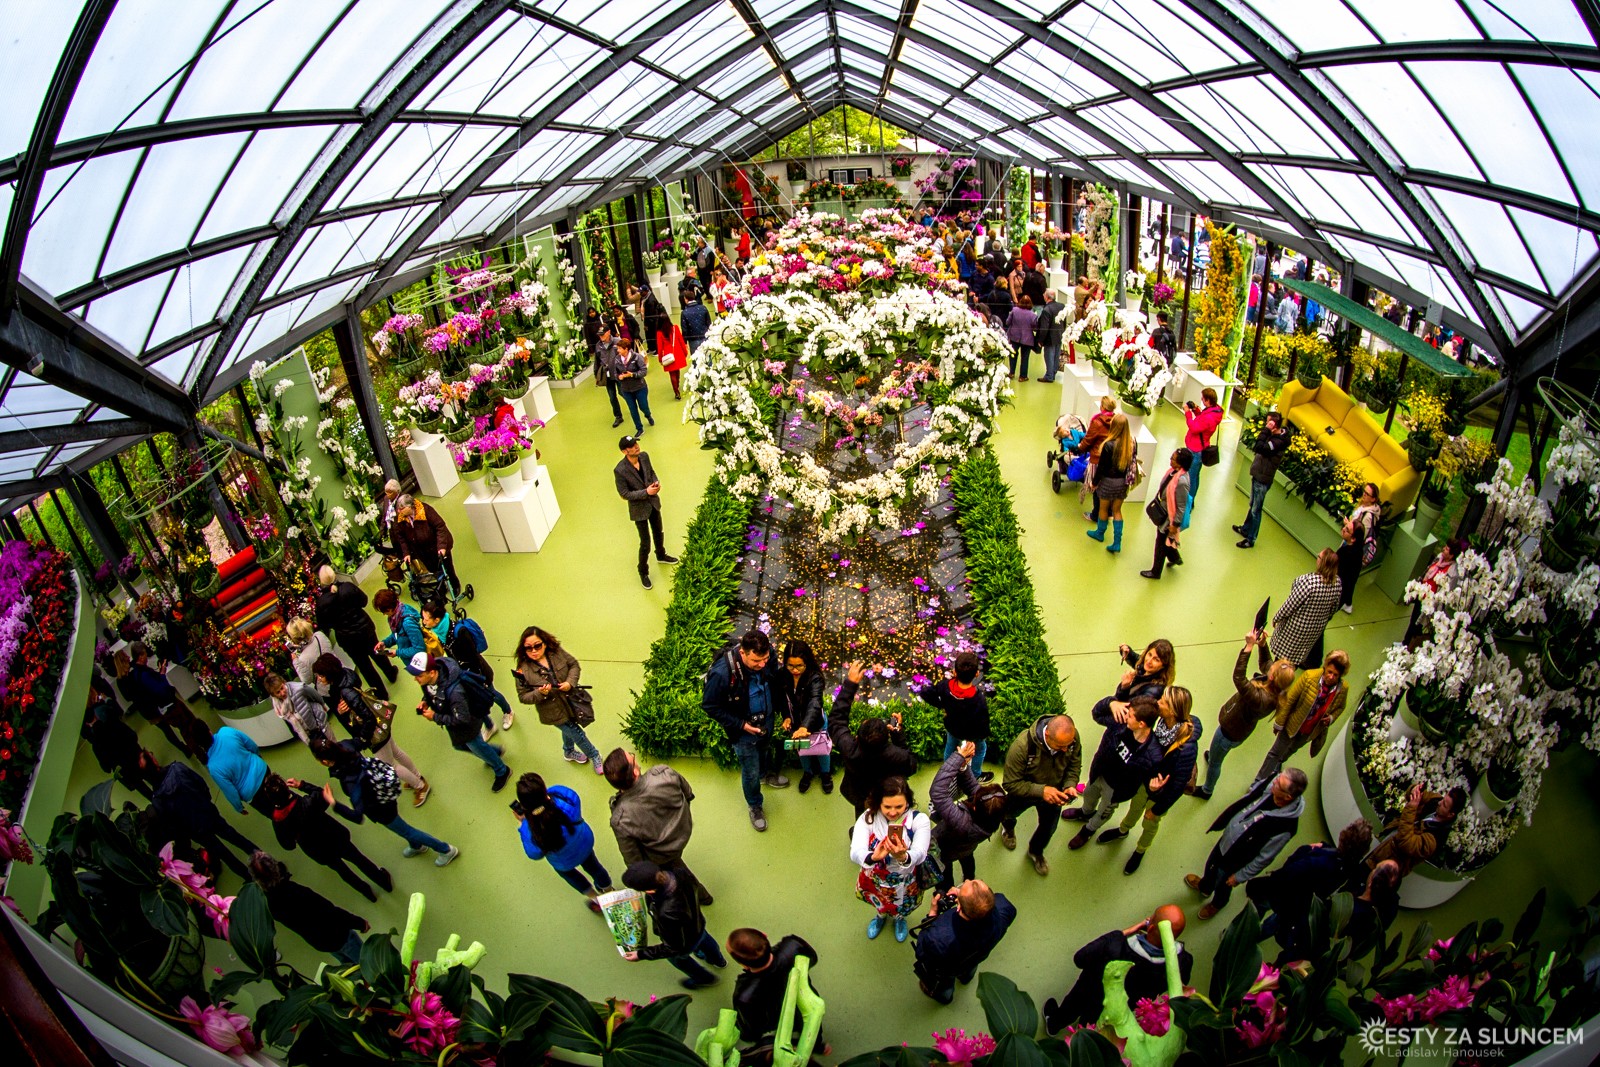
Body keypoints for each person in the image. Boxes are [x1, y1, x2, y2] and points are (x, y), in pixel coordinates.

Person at [307, 737, 459, 867]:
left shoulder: (350, 781)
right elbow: (361, 741)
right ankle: (416, 845)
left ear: (325, 762)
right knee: (402, 828)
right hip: (385, 792)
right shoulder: (345, 745)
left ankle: (445, 849)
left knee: (406, 830)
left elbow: (358, 816)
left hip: (380, 809)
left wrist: (334, 803)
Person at [1042, 905, 1193, 1034]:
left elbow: (1080, 958)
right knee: (1093, 1024)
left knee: (1072, 1006)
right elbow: (1179, 986)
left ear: (1151, 927)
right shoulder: (1184, 962)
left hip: (1089, 989)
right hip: (1119, 1008)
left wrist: (1126, 931)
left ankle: (1054, 1024)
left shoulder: (1115, 946)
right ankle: (1083, 1038)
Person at [1100, 687, 1199, 874]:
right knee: (1135, 807)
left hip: (1161, 793)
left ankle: (1140, 850)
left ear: (1173, 711)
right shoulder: (1161, 722)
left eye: (1163, 702)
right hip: (1145, 780)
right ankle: (1123, 830)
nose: (1158, 702)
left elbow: (1178, 785)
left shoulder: (1186, 747)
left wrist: (1157, 809)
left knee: (1150, 822)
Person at [1186, 768, 1307, 919]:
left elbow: (1264, 858)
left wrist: (1239, 876)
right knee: (1211, 865)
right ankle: (1205, 886)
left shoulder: (1285, 828)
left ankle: (1217, 904)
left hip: (1237, 859)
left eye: (1278, 783)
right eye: (1278, 777)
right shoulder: (1271, 783)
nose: (1274, 780)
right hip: (1228, 840)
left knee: (1224, 884)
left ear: (1287, 797)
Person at [1245, 818, 1373, 958]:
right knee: (1275, 922)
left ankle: (1244, 934)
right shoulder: (1349, 869)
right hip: (1300, 905)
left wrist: (1306, 849)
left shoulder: (1319, 861)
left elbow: (1289, 871)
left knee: (1258, 908)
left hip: (1284, 892)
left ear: (1344, 836)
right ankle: (1255, 938)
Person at [257, 772, 392, 903]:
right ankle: (383, 881)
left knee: (343, 871)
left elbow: (288, 845)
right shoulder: (307, 803)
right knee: (358, 858)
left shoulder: (278, 821)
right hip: (335, 836)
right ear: (286, 788)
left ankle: (367, 892)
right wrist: (302, 785)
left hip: (319, 851)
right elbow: (322, 794)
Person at [314, 652, 429, 804]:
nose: (319, 679)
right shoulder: (347, 675)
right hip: (380, 727)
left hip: (373, 734)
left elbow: (367, 717)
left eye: (321, 675)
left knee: (391, 766)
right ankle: (417, 776)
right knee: (396, 752)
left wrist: (363, 738)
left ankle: (420, 786)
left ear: (329, 674)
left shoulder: (344, 692)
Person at [703, 629, 789, 832]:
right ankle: (755, 805)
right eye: (756, 661)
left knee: (764, 751)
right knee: (750, 771)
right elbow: (710, 706)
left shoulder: (768, 655)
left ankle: (764, 774)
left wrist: (784, 712)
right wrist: (741, 725)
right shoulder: (722, 673)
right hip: (743, 733)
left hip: (766, 722)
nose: (762, 665)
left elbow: (775, 682)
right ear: (743, 652)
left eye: (765, 659)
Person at [604, 748, 713, 905]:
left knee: (679, 872)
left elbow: (633, 860)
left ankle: (702, 896)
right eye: (632, 757)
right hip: (684, 828)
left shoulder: (621, 819)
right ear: (635, 772)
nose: (634, 756)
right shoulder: (663, 773)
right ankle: (703, 897)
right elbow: (688, 793)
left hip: (663, 855)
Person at [1195, 632, 1294, 799]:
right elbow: (1266, 664)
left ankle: (1207, 790)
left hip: (1228, 732)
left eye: (1273, 668)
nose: (1271, 666)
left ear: (1272, 677)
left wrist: (1248, 648)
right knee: (1216, 753)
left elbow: (1239, 678)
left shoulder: (1260, 699)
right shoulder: (1276, 689)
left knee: (1216, 764)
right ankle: (1213, 755)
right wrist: (1262, 645)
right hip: (1239, 730)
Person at [1063, 696, 1162, 851]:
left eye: (1130, 716)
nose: (1126, 716)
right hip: (1099, 773)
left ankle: (1088, 830)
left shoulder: (1153, 755)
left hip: (1116, 790)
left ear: (1141, 724)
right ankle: (1085, 812)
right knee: (1088, 794)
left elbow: (1152, 781)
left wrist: (1154, 790)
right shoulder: (1119, 723)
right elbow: (1097, 714)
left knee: (1103, 812)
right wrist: (1111, 703)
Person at [143, 750, 260, 876]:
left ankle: (248, 877)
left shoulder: (157, 801)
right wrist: (206, 802)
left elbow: (174, 826)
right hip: (209, 814)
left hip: (197, 832)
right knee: (235, 837)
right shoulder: (177, 768)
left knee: (225, 855)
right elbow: (201, 783)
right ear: (154, 761)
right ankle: (262, 858)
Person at [827, 661, 918, 816]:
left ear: (857, 738)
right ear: (887, 737)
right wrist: (898, 733)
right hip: (887, 798)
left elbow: (836, 721)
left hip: (859, 796)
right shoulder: (897, 755)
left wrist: (850, 685)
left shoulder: (850, 750)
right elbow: (911, 766)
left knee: (862, 816)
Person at [409, 653, 510, 792]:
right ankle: (493, 752)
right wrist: (426, 700)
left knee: (477, 746)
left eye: (419, 676)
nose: (415, 679)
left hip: (468, 725)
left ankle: (502, 770)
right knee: (460, 746)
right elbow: (432, 691)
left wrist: (435, 717)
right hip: (455, 724)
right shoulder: (429, 681)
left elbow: (462, 719)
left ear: (432, 673)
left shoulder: (455, 692)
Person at [514, 772, 614, 911]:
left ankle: (595, 898)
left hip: (563, 862)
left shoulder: (528, 829)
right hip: (583, 844)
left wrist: (522, 823)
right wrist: (545, 799)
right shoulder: (565, 799)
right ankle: (608, 890)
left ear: (524, 805)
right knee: (595, 867)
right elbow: (572, 796)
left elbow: (534, 854)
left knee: (573, 878)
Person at [248, 851, 369, 964]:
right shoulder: (295, 892)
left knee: (349, 967)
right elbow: (329, 911)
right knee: (368, 963)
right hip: (339, 935)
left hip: (321, 942)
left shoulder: (269, 903)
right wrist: (359, 923)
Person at [620, 860, 726, 989]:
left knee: (678, 959)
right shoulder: (680, 873)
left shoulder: (667, 912)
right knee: (704, 938)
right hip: (697, 922)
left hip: (685, 942)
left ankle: (704, 978)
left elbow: (672, 948)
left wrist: (641, 954)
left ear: (649, 890)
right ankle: (718, 960)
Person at [999, 714, 1081, 876]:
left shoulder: (1070, 738)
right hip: (1024, 793)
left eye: (1068, 745)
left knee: (1049, 827)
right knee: (1007, 813)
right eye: (1060, 746)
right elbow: (1010, 783)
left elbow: (1074, 764)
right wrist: (1042, 791)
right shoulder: (1022, 747)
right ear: (1047, 735)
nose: (1065, 749)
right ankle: (1007, 829)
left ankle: (1035, 851)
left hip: (1055, 793)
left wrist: (1070, 785)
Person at [851, 777, 931, 942]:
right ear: (878, 802)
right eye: (887, 807)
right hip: (876, 877)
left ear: (907, 802)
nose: (893, 812)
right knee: (879, 901)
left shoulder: (919, 820)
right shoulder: (868, 818)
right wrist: (874, 856)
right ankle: (880, 916)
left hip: (906, 878)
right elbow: (856, 851)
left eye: (899, 806)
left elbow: (920, 852)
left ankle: (899, 919)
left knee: (902, 904)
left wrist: (903, 856)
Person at [513, 625, 603, 772]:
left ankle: (568, 751)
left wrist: (569, 683)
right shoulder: (523, 671)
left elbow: (573, 665)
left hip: (571, 702)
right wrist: (540, 693)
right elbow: (523, 696)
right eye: (528, 648)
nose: (534, 651)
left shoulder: (556, 652)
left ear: (544, 643)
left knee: (569, 730)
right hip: (552, 711)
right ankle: (594, 754)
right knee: (577, 733)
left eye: (537, 646)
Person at [913, 879, 1016, 1005]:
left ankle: (945, 997)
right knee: (969, 968)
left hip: (947, 970)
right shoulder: (1005, 907)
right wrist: (967, 898)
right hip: (976, 958)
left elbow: (921, 952)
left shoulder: (938, 938)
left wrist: (932, 913)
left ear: (959, 906)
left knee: (944, 985)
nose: (966, 880)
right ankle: (966, 978)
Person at [930, 741, 1008, 891]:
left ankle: (947, 890)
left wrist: (957, 757)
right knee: (967, 858)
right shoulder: (993, 813)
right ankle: (969, 878)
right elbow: (973, 788)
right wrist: (963, 766)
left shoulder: (961, 822)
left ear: (974, 806)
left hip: (944, 850)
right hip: (967, 846)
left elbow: (938, 793)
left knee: (944, 872)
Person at [728, 928, 822, 1046]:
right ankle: (817, 1044)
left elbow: (751, 1031)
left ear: (744, 965)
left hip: (778, 1018)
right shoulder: (793, 946)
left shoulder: (744, 996)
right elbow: (812, 958)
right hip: (806, 1002)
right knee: (812, 1026)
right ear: (764, 935)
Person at [115, 642, 202, 757]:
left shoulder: (129, 675)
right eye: (125, 657)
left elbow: (129, 697)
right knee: (172, 729)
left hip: (149, 707)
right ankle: (188, 748)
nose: (128, 657)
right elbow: (149, 690)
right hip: (151, 707)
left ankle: (186, 748)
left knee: (169, 729)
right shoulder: (131, 676)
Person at [613, 434, 678, 590]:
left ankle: (661, 555)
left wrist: (656, 482)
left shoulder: (644, 457)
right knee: (645, 543)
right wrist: (646, 492)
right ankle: (643, 571)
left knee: (658, 532)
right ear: (625, 451)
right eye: (632, 446)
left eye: (636, 443)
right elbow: (624, 494)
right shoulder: (620, 470)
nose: (636, 447)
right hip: (639, 511)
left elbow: (651, 472)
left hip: (653, 503)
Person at [1367, 784, 1464, 877]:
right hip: (1384, 845)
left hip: (1387, 867)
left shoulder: (1435, 839)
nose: (1439, 803)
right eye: (1443, 799)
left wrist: (1411, 807)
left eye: (1444, 805)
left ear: (1450, 814)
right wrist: (1414, 790)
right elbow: (1415, 794)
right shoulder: (1435, 800)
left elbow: (1406, 843)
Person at [1271, 549, 1343, 669]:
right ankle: (1287, 676)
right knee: (1297, 657)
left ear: (1323, 563)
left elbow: (1290, 605)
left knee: (1282, 656)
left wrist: (1277, 617)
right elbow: (1334, 608)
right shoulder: (1337, 583)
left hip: (1295, 628)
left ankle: (1274, 677)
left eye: (1319, 557)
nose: (1317, 558)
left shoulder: (1308, 583)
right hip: (1314, 629)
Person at [778, 639, 830, 795]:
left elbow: (815, 702)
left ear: (807, 662)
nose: (795, 670)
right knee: (802, 751)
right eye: (790, 666)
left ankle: (825, 774)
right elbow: (782, 699)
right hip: (795, 723)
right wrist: (786, 717)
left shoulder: (815, 678)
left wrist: (805, 726)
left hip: (815, 722)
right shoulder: (782, 675)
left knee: (821, 751)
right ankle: (808, 772)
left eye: (799, 666)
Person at [921, 650, 989, 767]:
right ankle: (975, 774)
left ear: (954, 672)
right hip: (972, 733)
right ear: (977, 674)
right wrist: (981, 737)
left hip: (952, 727)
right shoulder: (978, 699)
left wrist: (941, 705)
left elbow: (925, 693)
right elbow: (983, 722)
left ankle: (948, 770)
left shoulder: (944, 686)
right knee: (980, 750)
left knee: (951, 747)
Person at [1234, 411, 1290, 549]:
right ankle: (1246, 529)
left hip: (1263, 479)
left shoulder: (1277, 442)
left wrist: (1266, 430)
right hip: (1259, 475)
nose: (1266, 424)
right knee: (1253, 505)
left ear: (1274, 425)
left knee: (1256, 510)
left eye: (1268, 422)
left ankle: (1250, 539)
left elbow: (1259, 447)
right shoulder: (1274, 437)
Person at [389, 495, 463, 595]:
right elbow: (401, 538)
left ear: (410, 506)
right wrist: (406, 553)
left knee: (447, 567)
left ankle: (455, 584)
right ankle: (442, 585)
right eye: (398, 509)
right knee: (433, 569)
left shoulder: (425, 510)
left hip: (437, 545)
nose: (399, 511)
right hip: (421, 550)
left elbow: (440, 527)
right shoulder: (400, 518)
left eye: (401, 508)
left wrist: (441, 547)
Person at [1086, 412, 1134, 553]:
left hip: (1107, 482)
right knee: (1117, 510)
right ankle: (1117, 542)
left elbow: (1102, 468)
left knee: (1103, 509)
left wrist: (1094, 482)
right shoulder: (1130, 443)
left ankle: (1100, 533)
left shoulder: (1108, 445)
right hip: (1122, 483)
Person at [1141, 448, 1191, 581]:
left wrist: (1175, 524)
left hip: (1170, 517)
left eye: (1173, 459)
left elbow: (1181, 506)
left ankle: (1156, 572)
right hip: (1165, 511)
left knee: (1160, 543)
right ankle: (1175, 558)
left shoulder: (1182, 482)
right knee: (1164, 539)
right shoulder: (1173, 473)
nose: (1170, 460)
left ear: (1180, 464)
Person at [204, 725, 269, 816]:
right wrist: (258, 757)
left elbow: (230, 791)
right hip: (263, 770)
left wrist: (239, 807)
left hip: (253, 794)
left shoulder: (213, 768)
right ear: (209, 730)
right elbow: (251, 745)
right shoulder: (226, 731)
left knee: (272, 812)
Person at [1181, 388, 1223, 527]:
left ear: (1207, 400)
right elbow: (1203, 420)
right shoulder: (1215, 411)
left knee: (1191, 478)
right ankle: (1191, 500)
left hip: (1195, 448)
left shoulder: (1209, 417)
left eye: (1203, 398)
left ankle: (1188, 503)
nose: (1201, 400)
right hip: (1201, 446)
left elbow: (1194, 427)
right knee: (1195, 477)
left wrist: (1188, 413)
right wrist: (1196, 410)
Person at [265, 670, 328, 746]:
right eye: (278, 692)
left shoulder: (298, 688)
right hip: (307, 733)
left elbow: (314, 694)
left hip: (319, 722)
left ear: (284, 683)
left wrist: (323, 705)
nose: (282, 693)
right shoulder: (279, 707)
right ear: (273, 695)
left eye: (282, 688)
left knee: (332, 746)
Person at [286, 616, 344, 699]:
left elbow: (307, 680)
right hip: (342, 674)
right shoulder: (319, 635)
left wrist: (296, 661)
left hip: (328, 689)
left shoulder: (302, 658)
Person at [609, 334, 655, 438]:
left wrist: (632, 375)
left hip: (640, 387)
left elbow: (644, 371)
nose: (618, 351)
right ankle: (639, 428)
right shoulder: (617, 360)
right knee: (632, 409)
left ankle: (648, 415)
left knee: (643, 406)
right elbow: (615, 373)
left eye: (620, 348)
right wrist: (619, 377)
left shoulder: (637, 357)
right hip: (626, 389)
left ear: (626, 349)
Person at [375, 587, 429, 666]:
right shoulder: (395, 616)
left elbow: (419, 649)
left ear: (389, 609)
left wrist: (397, 652)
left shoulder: (408, 623)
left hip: (420, 663)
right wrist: (385, 643)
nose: (384, 614)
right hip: (411, 661)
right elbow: (398, 635)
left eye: (384, 611)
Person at [593, 321, 624, 428]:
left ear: (608, 332)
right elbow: (597, 361)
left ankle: (633, 406)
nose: (601, 336)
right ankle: (618, 416)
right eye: (599, 335)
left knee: (623, 392)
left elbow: (625, 355)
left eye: (603, 334)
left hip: (618, 373)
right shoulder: (598, 346)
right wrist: (596, 375)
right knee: (612, 397)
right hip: (607, 375)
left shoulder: (617, 342)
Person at [1336, 516, 1367, 615]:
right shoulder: (1358, 551)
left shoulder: (1345, 554)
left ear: (1353, 538)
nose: (1343, 529)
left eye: (1347, 529)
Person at [1005, 294, 1038, 381]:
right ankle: (1023, 376)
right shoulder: (1033, 315)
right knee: (1025, 357)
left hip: (1014, 337)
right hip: (1027, 339)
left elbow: (1007, 322)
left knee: (1013, 355)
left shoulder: (1014, 310)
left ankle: (1011, 373)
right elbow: (1035, 328)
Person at [681, 290, 712, 358]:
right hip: (705, 337)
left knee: (696, 360)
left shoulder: (684, 313)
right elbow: (709, 323)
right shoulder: (703, 308)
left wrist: (684, 342)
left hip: (693, 340)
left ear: (686, 299)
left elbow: (685, 330)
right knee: (707, 358)